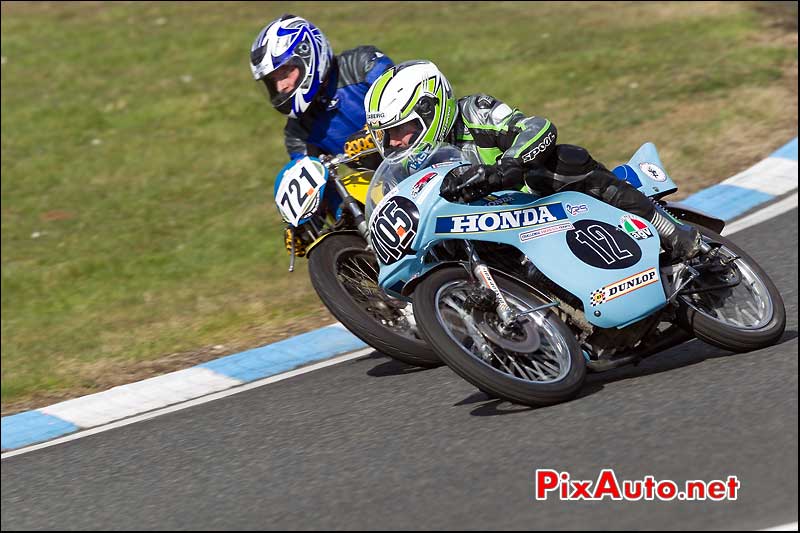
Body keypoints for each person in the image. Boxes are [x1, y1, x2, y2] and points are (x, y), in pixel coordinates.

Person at [363, 60, 702, 262]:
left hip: (540, 201)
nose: (394, 142)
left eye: (401, 129)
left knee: (563, 162)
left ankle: (670, 231)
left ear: (430, 108)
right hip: (491, 228)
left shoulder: (474, 111)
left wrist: (509, 164)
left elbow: (536, 127)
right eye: (386, 135)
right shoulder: (408, 166)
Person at [250, 14, 394, 166]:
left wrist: (372, 132)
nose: (281, 87)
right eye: (273, 80)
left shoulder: (362, 65)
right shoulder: (298, 133)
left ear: (308, 56)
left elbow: (403, 100)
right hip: (384, 183)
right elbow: (314, 184)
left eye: (286, 73)